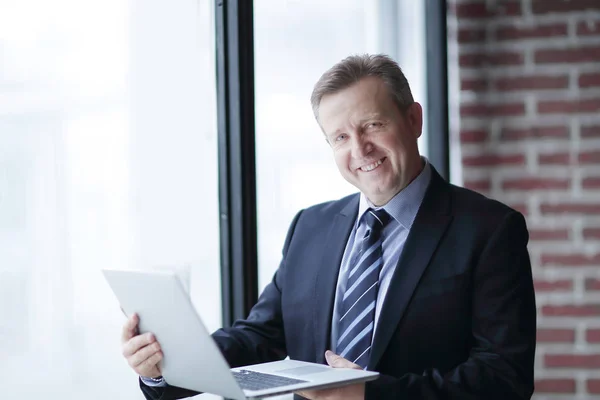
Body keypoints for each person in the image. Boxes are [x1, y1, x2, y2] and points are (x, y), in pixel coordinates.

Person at [121, 54, 536, 400]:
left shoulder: (490, 230)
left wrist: (369, 395)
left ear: (413, 120)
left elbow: (504, 377)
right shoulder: (311, 226)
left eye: (373, 124)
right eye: (340, 137)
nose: (360, 149)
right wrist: (167, 363)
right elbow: (260, 336)